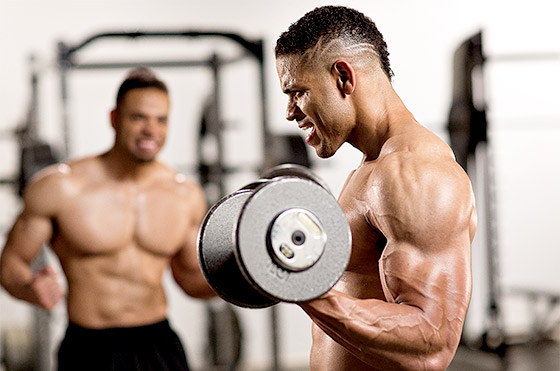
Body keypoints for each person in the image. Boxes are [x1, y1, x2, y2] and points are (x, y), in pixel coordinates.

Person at [275, 6, 477, 371]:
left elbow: (431, 341)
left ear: (342, 77)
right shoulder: (371, 169)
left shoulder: (414, 173)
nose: (290, 112)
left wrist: (297, 286)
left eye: (298, 92)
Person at [0, 67, 216, 370]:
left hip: (158, 343)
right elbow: (10, 264)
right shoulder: (60, 187)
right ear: (114, 118)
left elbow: (190, 278)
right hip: (90, 348)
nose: (151, 130)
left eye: (161, 120)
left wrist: (248, 282)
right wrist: (28, 288)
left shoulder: (185, 194)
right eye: (138, 117)